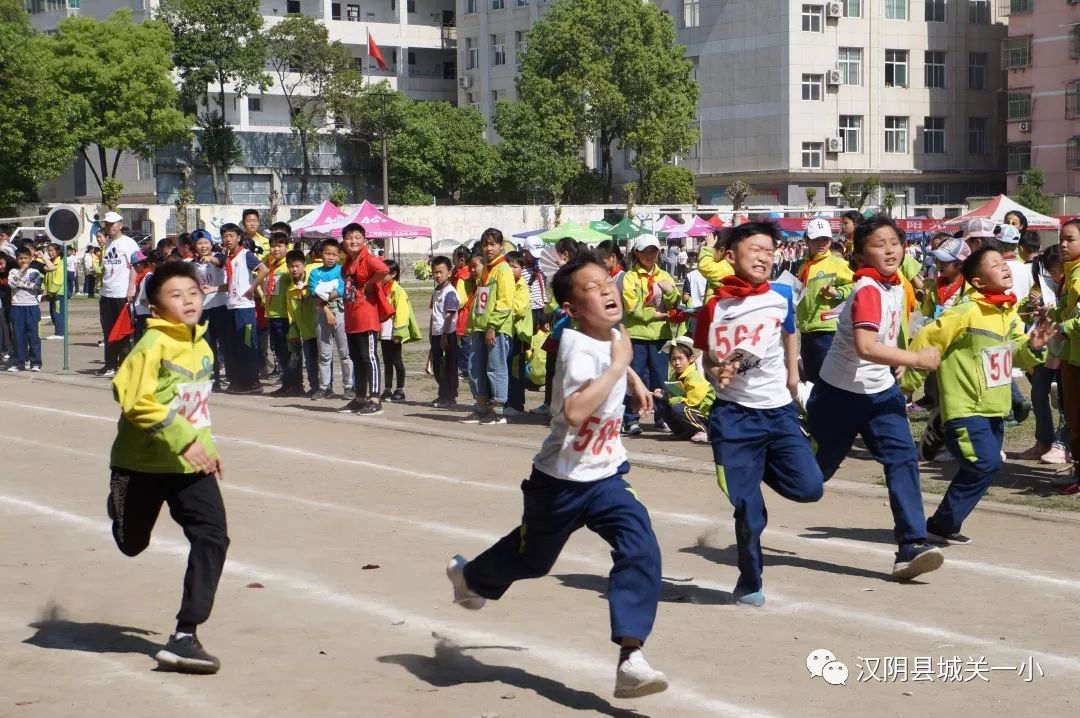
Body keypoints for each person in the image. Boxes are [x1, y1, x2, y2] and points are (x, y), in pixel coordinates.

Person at [446, 255, 668, 700]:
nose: (606, 291)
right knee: (533, 561)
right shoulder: (571, 345)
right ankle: (471, 578)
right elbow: (575, 410)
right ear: (569, 307)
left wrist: (633, 378)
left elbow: (613, 352)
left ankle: (631, 657)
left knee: (641, 548)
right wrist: (619, 365)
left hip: (606, 476)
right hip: (560, 481)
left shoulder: (612, 332)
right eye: (591, 288)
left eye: (607, 281)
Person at [106, 260, 230, 674]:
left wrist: (206, 446)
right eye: (175, 296)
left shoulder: (204, 345)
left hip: (188, 466)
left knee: (213, 536)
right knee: (131, 544)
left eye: (193, 292)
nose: (188, 300)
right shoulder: (151, 345)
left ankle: (184, 635)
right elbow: (132, 398)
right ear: (156, 309)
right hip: (141, 464)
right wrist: (185, 438)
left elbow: (196, 409)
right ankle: (119, 505)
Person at [806, 215, 946, 580]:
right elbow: (867, 346)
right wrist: (914, 359)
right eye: (878, 245)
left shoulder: (896, 285)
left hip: (879, 395)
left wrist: (897, 360)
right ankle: (762, 464)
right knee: (810, 480)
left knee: (902, 460)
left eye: (894, 243)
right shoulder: (867, 289)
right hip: (839, 396)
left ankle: (912, 545)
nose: (889, 250)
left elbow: (884, 338)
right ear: (860, 254)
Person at [694, 222, 823, 605]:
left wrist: (793, 375)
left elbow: (790, 331)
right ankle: (750, 581)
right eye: (756, 250)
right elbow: (706, 359)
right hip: (734, 417)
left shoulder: (781, 296)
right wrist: (719, 370)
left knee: (809, 488)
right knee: (749, 514)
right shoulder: (714, 306)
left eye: (769, 250)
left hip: (778, 413)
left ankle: (760, 466)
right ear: (731, 256)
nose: (764, 257)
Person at [902, 247, 1053, 542]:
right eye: (995, 264)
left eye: (1003, 262)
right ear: (979, 282)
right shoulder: (965, 312)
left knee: (982, 468)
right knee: (985, 464)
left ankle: (944, 523)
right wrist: (907, 385)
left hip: (995, 407)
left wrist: (1033, 346)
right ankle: (942, 521)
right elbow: (925, 338)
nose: (1005, 267)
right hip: (965, 406)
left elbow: (1017, 355)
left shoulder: (1007, 313)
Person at [622, 234, 683, 435]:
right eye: (645, 251)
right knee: (635, 377)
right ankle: (631, 419)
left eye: (654, 251)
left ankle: (662, 417)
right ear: (637, 253)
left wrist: (671, 294)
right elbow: (632, 307)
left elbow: (676, 304)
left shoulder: (664, 276)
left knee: (661, 378)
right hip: (637, 335)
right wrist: (656, 314)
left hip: (660, 336)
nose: (650, 255)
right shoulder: (630, 277)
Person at [463, 228, 516, 425]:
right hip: (480, 327)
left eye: (493, 244)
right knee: (475, 368)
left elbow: (505, 302)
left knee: (496, 368)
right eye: (485, 244)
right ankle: (481, 407)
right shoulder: (486, 269)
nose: (488, 248)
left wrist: (493, 326)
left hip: (497, 328)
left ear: (501, 246)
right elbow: (481, 300)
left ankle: (498, 410)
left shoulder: (503, 270)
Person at [339, 223, 390, 415]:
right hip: (351, 317)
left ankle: (375, 398)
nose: (353, 241)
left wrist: (369, 283)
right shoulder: (346, 266)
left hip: (366, 317)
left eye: (357, 237)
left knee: (369, 357)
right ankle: (359, 397)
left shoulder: (368, 260)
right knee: (356, 358)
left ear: (364, 240)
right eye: (349, 237)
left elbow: (384, 270)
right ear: (343, 242)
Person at [796, 218, 854, 382]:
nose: (821, 243)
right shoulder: (804, 266)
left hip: (827, 329)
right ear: (807, 240)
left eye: (825, 239)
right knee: (811, 375)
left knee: (828, 376)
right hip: (807, 330)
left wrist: (838, 292)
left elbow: (856, 286)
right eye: (816, 239)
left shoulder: (838, 263)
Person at [221, 222, 268, 394]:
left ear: (239, 238)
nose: (227, 239)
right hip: (232, 305)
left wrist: (252, 288)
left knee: (248, 344)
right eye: (225, 236)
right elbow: (231, 283)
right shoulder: (228, 257)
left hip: (245, 308)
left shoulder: (245, 254)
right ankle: (241, 382)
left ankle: (254, 383)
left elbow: (264, 269)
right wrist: (213, 289)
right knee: (237, 346)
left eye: (231, 236)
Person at [1052, 219, 1080, 493]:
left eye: (1070, 239)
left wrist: (1064, 326)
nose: (1063, 244)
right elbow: (1068, 310)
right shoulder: (1070, 274)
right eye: (1061, 238)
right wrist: (1049, 314)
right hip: (1072, 354)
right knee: (1072, 414)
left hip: (1076, 354)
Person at [308, 238, 353, 401]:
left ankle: (349, 387)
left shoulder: (341, 271)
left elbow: (341, 291)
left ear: (339, 255)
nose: (330, 257)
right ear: (322, 254)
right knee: (324, 353)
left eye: (334, 254)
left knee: (345, 352)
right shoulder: (315, 273)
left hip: (341, 313)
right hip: (322, 314)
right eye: (327, 253)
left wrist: (323, 296)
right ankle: (324, 387)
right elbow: (313, 295)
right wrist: (326, 310)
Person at [97, 212, 140, 377]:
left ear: (120, 224)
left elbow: (136, 265)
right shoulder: (107, 243)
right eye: (107, 224)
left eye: (113, 224)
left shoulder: (129, 243)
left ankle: (124, 364)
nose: (110, 227)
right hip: (107, 293)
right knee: (108, 330)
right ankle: (110, 364)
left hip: (122, 294)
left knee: (122, 331)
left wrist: (131, 288)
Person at [653, 337, 713, 443]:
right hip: (690, 410)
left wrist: (670, 398)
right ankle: (683, 432)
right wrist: (664, 394)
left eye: (680, 358)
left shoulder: (694, 376)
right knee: (663, 405)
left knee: (678, 408)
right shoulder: (674, 376)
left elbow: (692, 402)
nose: (676, 362)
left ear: (691, 359)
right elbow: (675, 394)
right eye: (673, 359)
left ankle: (703, 430)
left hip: (704, 413)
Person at [379, 259, 421, 403]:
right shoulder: (381, 289)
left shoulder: (398, 290)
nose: (380, 276)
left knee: (397, 361)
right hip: (384, 332)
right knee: (387, 361)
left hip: (394, 332)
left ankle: (400, 390)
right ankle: (388, 389)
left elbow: (402, 313)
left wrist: (398, 332)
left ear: (393, 274)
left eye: (384, 274)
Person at [6, 245, 52, 372]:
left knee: (33, 336)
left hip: (31, 306)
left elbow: (36, 286)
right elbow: (12, 284)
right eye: (20, 258)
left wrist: (22, 283)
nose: (23, 261)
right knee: (19, 337)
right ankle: (20, 362)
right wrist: (21, 273)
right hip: (17, 307)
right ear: (16, 259)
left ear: (31, 258)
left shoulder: (34, 272)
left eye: (26, 258)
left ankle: (35, 362)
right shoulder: (13, 272)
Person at [282, 249, 317, 397]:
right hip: (306, 331)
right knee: (310, 361)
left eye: (297, 265)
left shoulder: (313, 280)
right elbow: (292, 315)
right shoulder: (290, 290)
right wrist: (294, 332)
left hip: (320, 328)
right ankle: (314, 386)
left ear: (304, 265)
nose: (294, 269)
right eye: (291, 266)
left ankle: (327, 386)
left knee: (324, 359)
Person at [504, 251, 534, 415]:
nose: (510, 269)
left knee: (516, 369)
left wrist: (503, 307)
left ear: (522, 268)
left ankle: (516, 404)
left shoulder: (522, 286)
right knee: (507, 368)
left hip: (519, 335)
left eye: (514, 266)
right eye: (508, 266)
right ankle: (508, 401)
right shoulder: (506, 284)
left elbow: (519, 308)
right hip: (508, 333)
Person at [429, 255, 460, 408]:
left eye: (441, 272)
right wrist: (431, 333)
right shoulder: (436, 290)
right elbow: (434, 314)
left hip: (448, 335)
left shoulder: (450, 292)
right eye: (435, 272)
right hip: (436, 334)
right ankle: (443, 394)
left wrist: (445, 335)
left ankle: (450, 395)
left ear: (450, 271)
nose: (438, 275)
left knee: (448, 366)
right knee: (437, 366)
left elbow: (449, 315)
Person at [263, 231, 292, 392]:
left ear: (286, 247)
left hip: (284, 315)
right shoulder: (272, 265)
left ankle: (293, 384)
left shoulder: (288, 266)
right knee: (278, 351)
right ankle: (285, 382)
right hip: (272, 314)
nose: (275, 249)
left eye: (279, 246)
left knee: (287, 351)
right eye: (273, 246)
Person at [521, 236, 549, 330]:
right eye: (533, 255)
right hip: (529, 306)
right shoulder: (520, 268)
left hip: (541, 305)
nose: (536, 257)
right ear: (524, 251)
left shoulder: (539, 264)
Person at [42, 243, 66, 340]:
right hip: (52, 293)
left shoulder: (60, 262)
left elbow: (58, 279)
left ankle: (60, 333)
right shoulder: (51, 262)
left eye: (52, 250)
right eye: (49, 250)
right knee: (53, 313)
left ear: (58, 251)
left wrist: (52, 291)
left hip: (58, 292)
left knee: (58, 313)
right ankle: (58, 332)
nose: (50, 252)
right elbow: (46, 277)